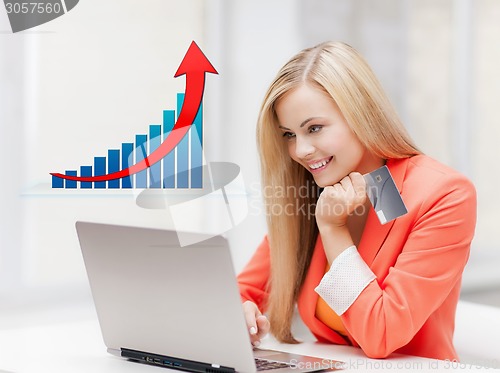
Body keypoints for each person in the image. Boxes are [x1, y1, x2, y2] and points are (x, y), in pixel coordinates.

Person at [237, 41, 476, 360]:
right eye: (289, 135)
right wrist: (241, 311)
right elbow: (240, 292)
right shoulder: (315, 189)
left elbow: (381, 334)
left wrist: (334, 230)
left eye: (315, 128)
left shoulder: (443, 195)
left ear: (361, 114)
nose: (301, 151)